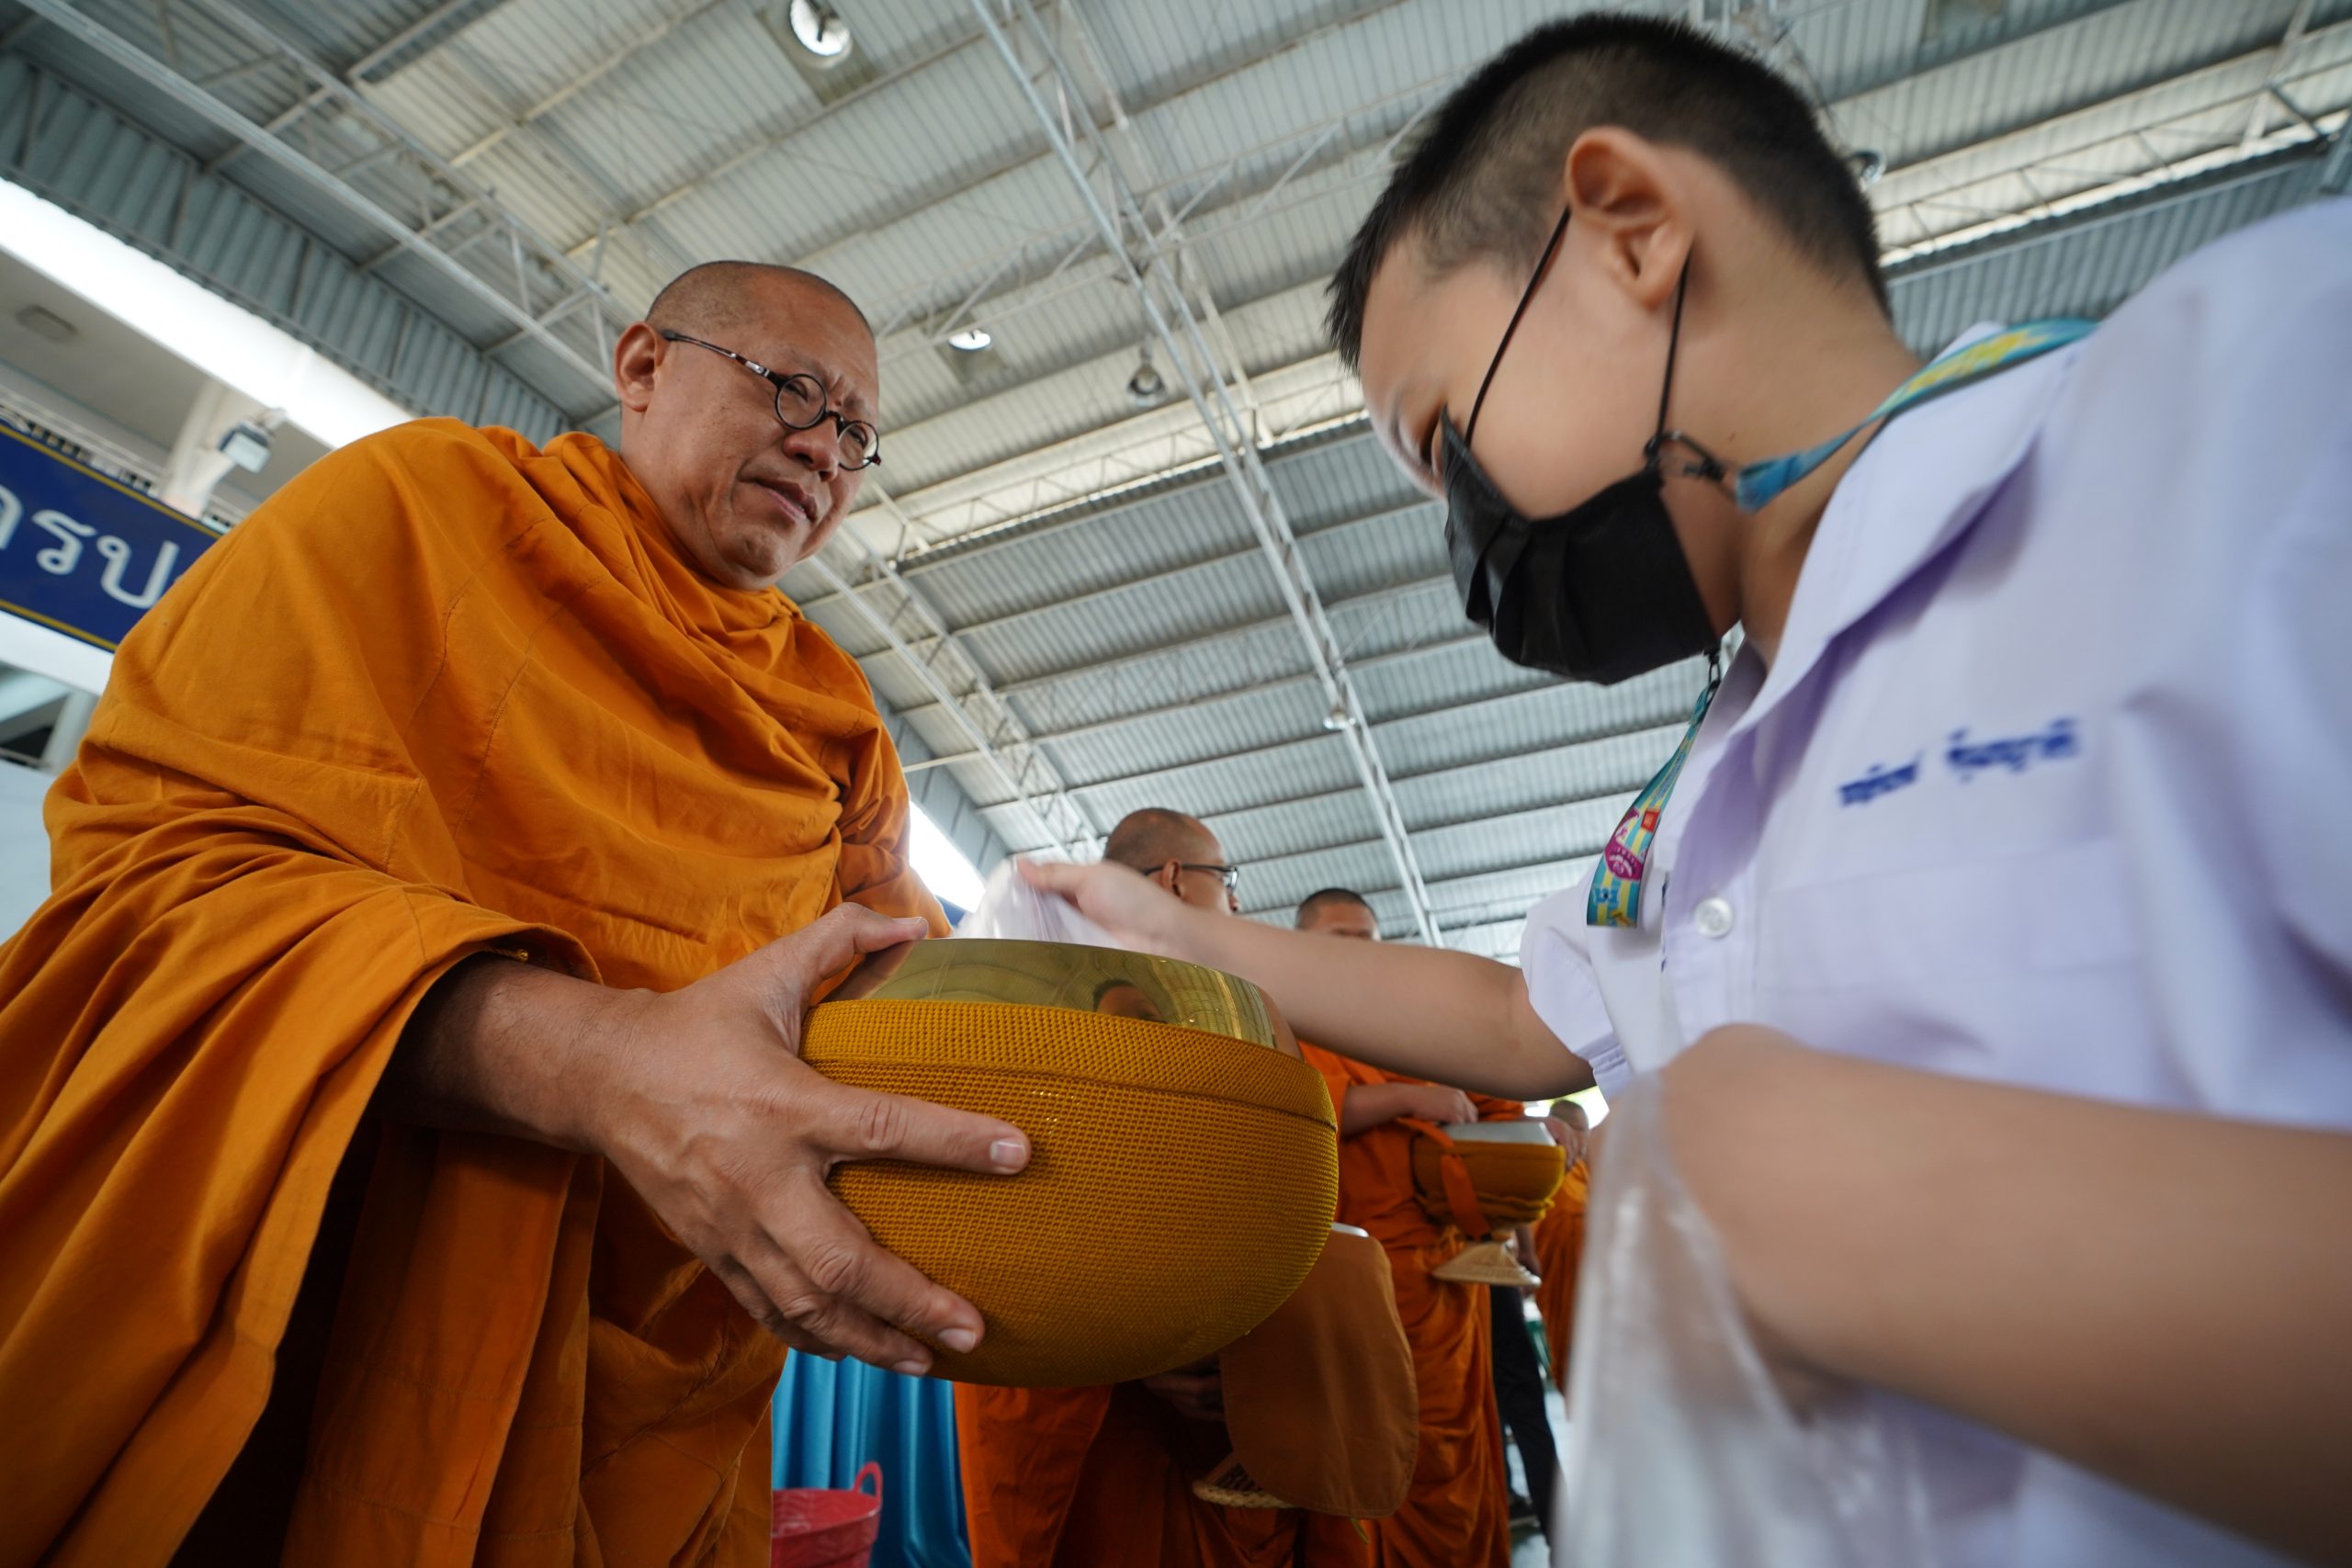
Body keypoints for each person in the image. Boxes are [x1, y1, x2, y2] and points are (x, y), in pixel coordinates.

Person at [1023, 16, 2352, 1568]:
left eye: (1445, 437)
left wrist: (1832, 1190)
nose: (1466, 542)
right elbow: (1535, 1015)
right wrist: (1184, 939)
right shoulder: (1718, 759)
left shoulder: (2251, 423)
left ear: (1630, 233)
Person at [0, 261, 1037, 1566]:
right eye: (790, 389)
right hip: (309, 1292)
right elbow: (157, 883)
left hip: (634, 1381)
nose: (825, 446)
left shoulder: (838, 726)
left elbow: (916, 1020)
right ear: (644, 367)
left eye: (857, 431)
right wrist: (598, 1063)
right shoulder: (417, 510)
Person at [956, 810, 1371, 1568]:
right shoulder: (1055, 989)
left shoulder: (1243, 1001)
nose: (1237, 905)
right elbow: (994, 1206)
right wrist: (1143, 1348)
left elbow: (1285, 1180)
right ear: (1178, 877)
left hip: (1232, 1359)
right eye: (1227, 882)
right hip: (1085, 1372)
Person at [1290, 886, 1564, 1566]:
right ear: (1298, 947)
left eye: (1368, 941)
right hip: (1349, 1286)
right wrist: (1408, 1098)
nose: (1357, 954)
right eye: (1337, 940)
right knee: (1374, 1456)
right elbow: (1305, 1109)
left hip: (1446, 1283)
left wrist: (1546, 1129)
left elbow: (1498, 1096)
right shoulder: (1286, 1026)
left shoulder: (1411, 1023)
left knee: (1456, 1451)